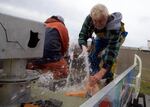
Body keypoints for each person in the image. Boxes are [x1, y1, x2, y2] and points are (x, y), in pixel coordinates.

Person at [78, 4, 128, 86]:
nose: (97, 24)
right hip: (101, 36)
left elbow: (112, 51)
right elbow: (82, 36)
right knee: (93, 55)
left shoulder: (115, 28)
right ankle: (94, 76)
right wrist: (83, 46)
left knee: (106, 56)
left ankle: (109, 77)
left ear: (107, 18)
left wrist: (101, 73)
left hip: (116, 38)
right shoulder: (90, 19)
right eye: (95, 21)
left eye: (101, 21)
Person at [27, 15, 69, 80]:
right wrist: (61, 57)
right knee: (63, 71)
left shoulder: (41, 26)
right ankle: (58, 87)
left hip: (33, 58)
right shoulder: (61, 26)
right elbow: (65, 46)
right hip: (52, 58)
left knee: (35, 74)